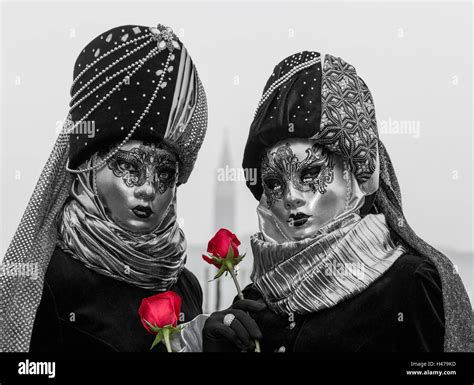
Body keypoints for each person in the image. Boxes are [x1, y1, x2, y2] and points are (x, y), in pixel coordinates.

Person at [203, 51, 472, 352]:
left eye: (310, 173)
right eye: (274, 183)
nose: (291, 197)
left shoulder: (410, 286)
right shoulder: (256, 300)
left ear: (356, 171)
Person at [0, 23, 208, 352]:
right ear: (88, 168)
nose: (148, 190)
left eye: (165, 173)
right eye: (128, 166)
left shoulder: (186, 286)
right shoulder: (44, 283)